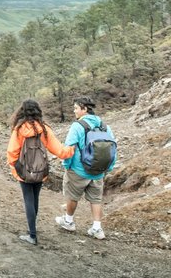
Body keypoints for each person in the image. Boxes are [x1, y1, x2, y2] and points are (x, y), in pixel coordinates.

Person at [7, 99, 75, 245]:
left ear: (22, 112)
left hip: (24, 171)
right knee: (35, 199)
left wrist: (16, 168)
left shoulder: (19, 130)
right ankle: (33, 231)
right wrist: (73, 149)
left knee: (28, 200)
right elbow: (60, 151)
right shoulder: (44, 129)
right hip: (41, 171)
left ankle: (32, 235)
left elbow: (12, 152)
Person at [55, 96, 116, 240]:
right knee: (96, 199)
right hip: (98, 171)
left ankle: (69, 221)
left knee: (72, 196)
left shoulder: (77, 126)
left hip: (78, 169)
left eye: (76, 108)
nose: (74, 111)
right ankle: (97, 228)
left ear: (84, 108)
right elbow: (113, 148)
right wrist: (108, 168)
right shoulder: (105, 126)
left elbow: (69, 147)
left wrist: (67, 165)